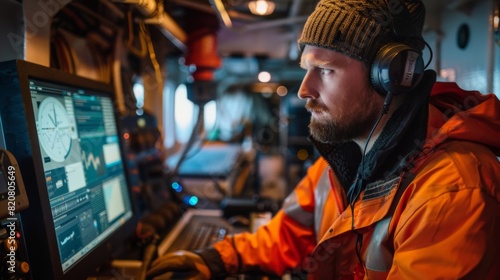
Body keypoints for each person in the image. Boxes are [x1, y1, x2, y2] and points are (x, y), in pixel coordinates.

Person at [147, 0, 500, 279]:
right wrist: (221, 258)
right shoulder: (344, 156)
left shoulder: (454, 192)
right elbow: (288, 233)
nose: (304, 90)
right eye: (306, 69)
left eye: (325, 70)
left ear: (390, 77)